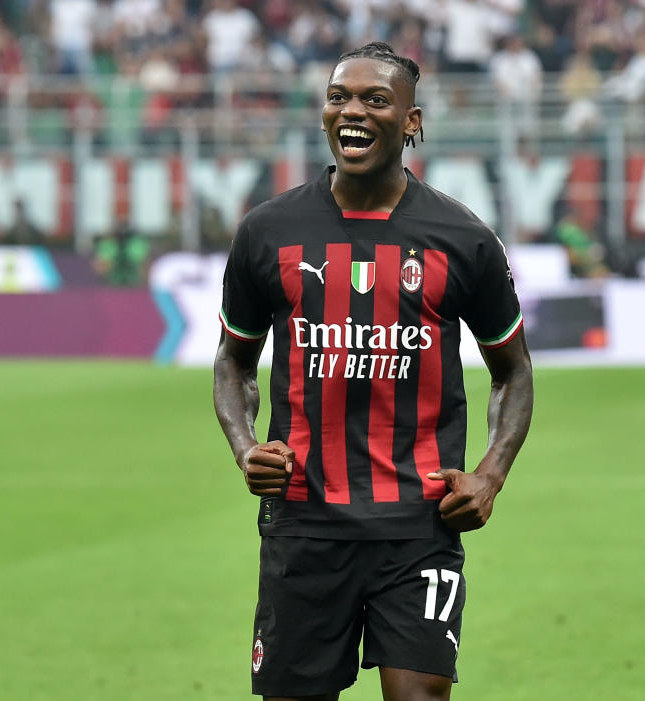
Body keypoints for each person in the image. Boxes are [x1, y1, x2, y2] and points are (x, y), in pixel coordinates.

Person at [213, 41, 534, 700]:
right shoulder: (267, 232)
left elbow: (513, 368)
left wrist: (491, 474)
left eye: (374, 99)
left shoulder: (463, 239)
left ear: (412, 123)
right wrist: (246, 448)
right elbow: (233, 360)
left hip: (418, 526)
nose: (351, 110)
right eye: (339, 97)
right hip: (303, 524)